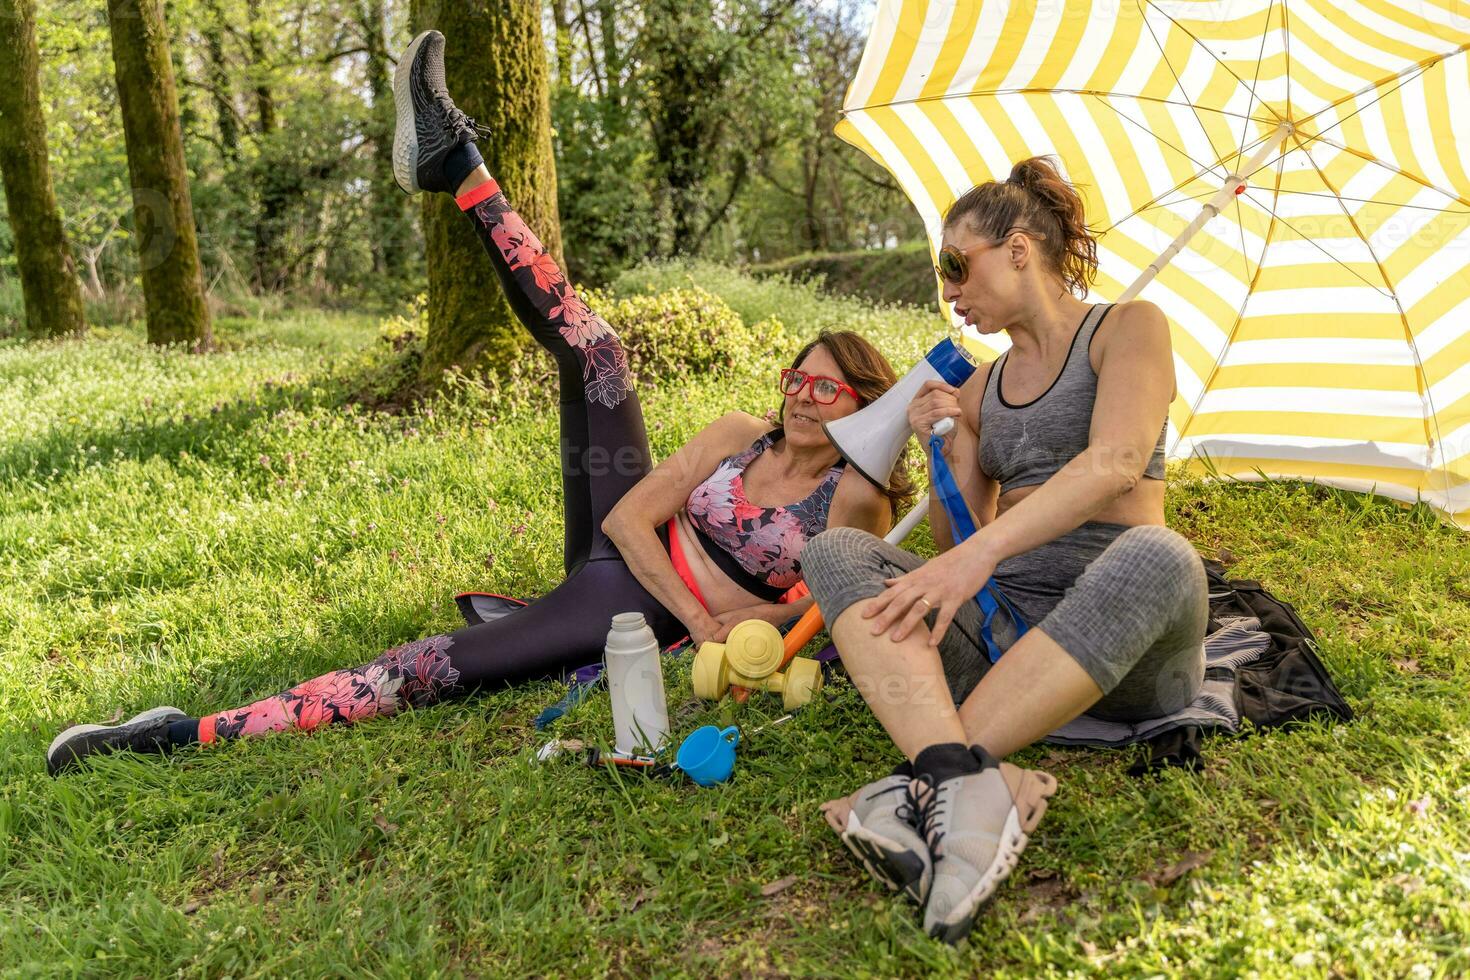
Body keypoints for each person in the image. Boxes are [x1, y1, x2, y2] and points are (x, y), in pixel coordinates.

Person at [47, 30, 907, 777]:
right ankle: (455, 162)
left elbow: (812, 607)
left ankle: (172, 735)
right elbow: (626, 523)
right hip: (639, 573)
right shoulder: (737, 435)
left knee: (428, 670)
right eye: (796, 376)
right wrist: (698, 616)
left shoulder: (856, 498)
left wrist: (729, 626)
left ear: (862, 405)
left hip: (630, 609)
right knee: (599, 353)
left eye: (826, 387)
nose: (800, 396)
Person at [799, 156, 1207, 943]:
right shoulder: (981, 388)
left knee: (1163, 554)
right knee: (840, 553)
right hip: (1005, 636)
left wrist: (976, 558)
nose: (948, 289)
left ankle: (915, 787)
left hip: (1126, 646)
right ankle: (961, 783)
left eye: (957, 264)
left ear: (1019, 249)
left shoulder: (1130, 329)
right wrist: (942, 452)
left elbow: (1118, 460)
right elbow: (960, 545)